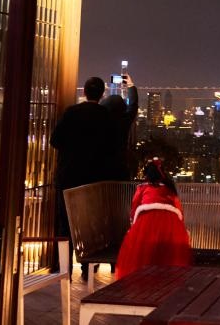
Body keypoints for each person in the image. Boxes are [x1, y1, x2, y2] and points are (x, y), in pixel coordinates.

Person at [50, 76, 114, 252]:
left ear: (84, 92)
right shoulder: (106, 116)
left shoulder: (71, 113)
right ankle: (88, 262)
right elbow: (111, 147)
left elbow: (55, 140)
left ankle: (65, 264)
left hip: (68, 176)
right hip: (95, 178)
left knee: (65, 222)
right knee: (92, 222)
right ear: (102, 94)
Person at [114, 159, 192, 278]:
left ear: (147, 174)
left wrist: (134, 225)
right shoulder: (169, 188)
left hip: (146, 220)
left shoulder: (142, 188)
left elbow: (135, 207)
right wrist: (180, 225)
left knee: (144, 250)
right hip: (170, 222)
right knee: (168, 253)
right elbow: (178, 207)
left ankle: (145, 278)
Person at [101, 73, 140, 180]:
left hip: (100, 167)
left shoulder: (99, 120)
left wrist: (102, 94)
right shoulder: (124, 122)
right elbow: (133, 105)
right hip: (120, 166)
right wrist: (131, 85)